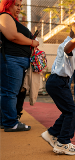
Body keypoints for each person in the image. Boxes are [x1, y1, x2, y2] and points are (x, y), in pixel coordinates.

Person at [41, 21, 75, 155]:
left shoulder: (74, 45)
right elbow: (67, 49)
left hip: (58, 82)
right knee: (71, 111)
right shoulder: (71, 45)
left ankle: (51, 133)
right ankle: (63, 142)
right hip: (58, 82)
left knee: (67, 110)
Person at [0, 0, 39, 132]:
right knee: (10, 92)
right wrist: (32, 42)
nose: (19, 8)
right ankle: (11, 123)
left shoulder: (11, 18)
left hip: (16, 60)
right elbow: (12, 36)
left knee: (11, 92)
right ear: (7, 4)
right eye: (16, 5)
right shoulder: (5, 16)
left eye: (20, 6)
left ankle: (5, 120)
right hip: (12, 59)